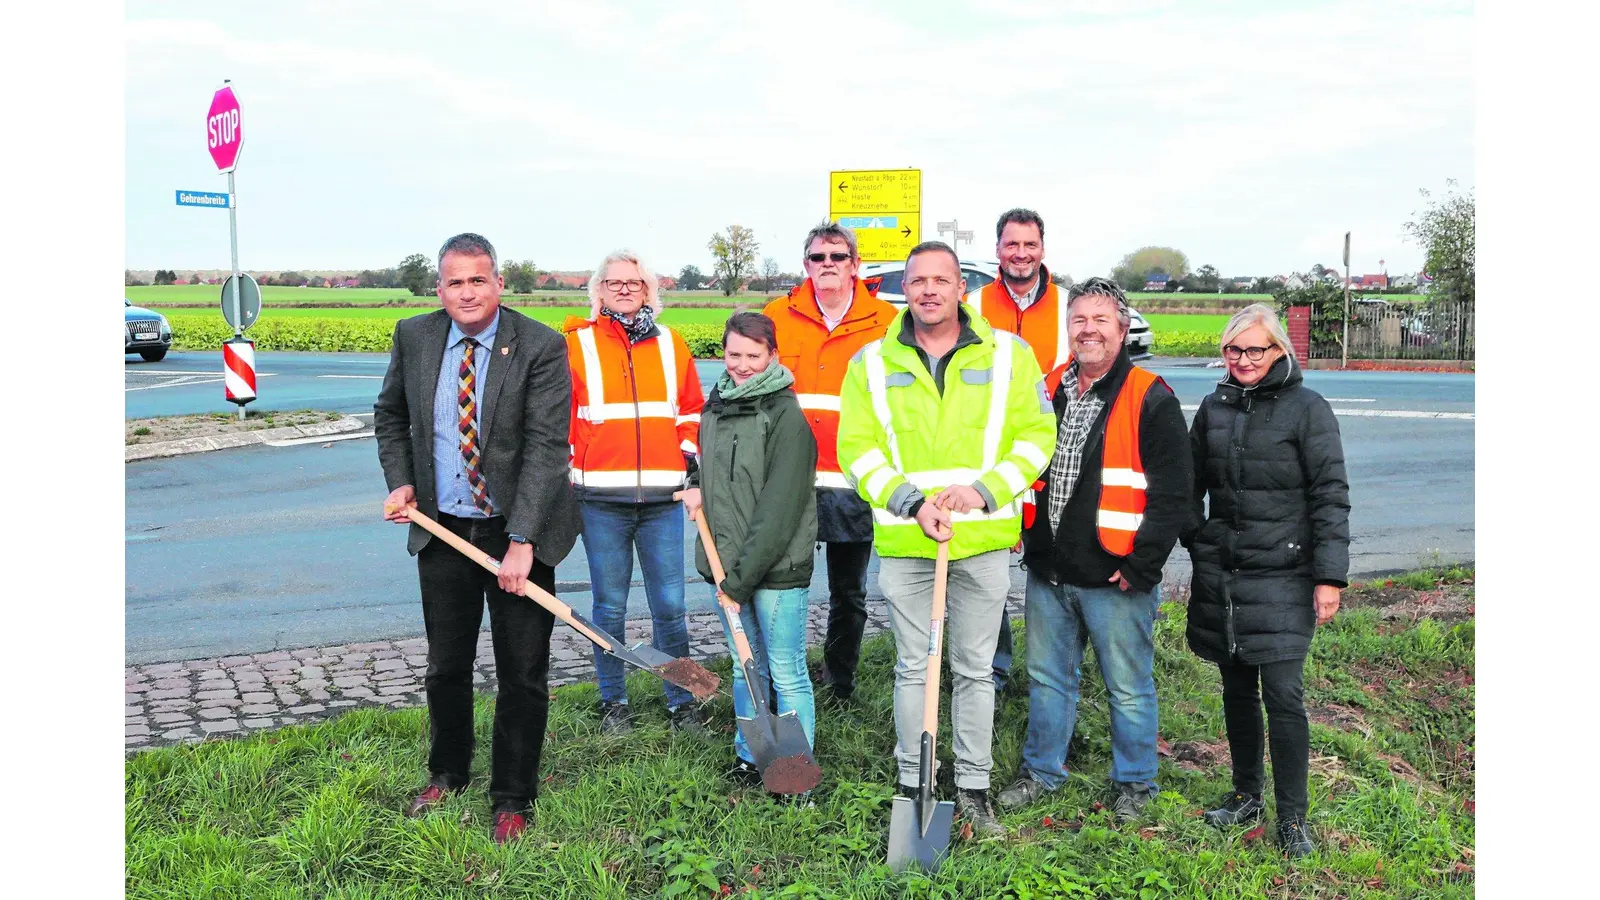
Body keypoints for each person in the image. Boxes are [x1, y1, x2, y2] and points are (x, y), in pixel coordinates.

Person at [836, 241, 1055, 839]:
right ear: (902, 290)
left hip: (981, 540)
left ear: (963, 289)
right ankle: (915, 781)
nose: (928, 290)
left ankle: (974, 789)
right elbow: (855, 450)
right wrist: (910, 501)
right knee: (914, 666)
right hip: (909, 541)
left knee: (974, 669)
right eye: (917, 281)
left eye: (941, 280)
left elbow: (1037, 437)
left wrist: (983, 492)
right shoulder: (870, 363)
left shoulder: (1011, 355)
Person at [375, 232, 582, 844]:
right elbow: (390, 415)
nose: (467, 291)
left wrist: (522, 540)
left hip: (515, 530)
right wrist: (403, 483)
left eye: (478, 279)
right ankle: (447, 772)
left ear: (499, 285)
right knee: (446, 665)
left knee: (522, 671)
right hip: (441, 529)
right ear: (439, 289)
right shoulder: (414, 337)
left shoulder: (540, 345)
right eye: (454, 281)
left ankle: (513, 796)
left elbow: (549, 448)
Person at [996, 276, 1192, 824]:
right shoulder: (1051, 385)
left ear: (1123, 329)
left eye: (1100, 320)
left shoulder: (1150, 396)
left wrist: (1142, 566)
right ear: (1068, 329)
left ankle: (1135, 784)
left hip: (1116, 577)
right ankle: (1042, 773)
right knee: (1048, 679)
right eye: (1078, 320)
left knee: (1127, 686)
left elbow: (1174, 493)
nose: (1088, 330)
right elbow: (1024, 462)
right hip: (1049, 572)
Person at [1183, 303, 1350, 859]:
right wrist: (1198, 538)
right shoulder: (1214, 407)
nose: (1244, 360)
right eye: (1233, 350)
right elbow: (1188, 484)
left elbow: (1330, 496)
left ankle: (1293, 818)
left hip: (1285, 575)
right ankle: (1245, 795)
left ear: (1279, 350)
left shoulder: (1308, 409)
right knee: (1236, 692)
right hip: (1225, 574)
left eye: (1255, 349)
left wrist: (1329, 576)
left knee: (1283, 697)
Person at [562, 249, 706, 735]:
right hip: (601, 501)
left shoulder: (671, 342)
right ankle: (613, 704)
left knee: (671, 607)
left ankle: (682, 703)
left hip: (663, 500)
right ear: (598, 290)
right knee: (610, 607)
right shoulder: (575, 344)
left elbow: (691, 410)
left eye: (634, 283)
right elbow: (561, 418)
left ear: (649, 291)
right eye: (614, 282)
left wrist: (686, 458)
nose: (624, 289)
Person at [678, 312, 820, 788]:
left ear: (772, 357)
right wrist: (695, 483)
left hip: (774, 569)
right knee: (745, 665)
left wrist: (737, 583)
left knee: (785, 670)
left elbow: (779, 508)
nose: (740, 365)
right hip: (728, 566)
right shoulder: (715, 407)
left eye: (752, 356)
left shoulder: (785, 417)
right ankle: (750, 756)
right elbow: (708, 466)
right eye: (733, 354)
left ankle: (794, 770)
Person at [761, 222, 897, 706]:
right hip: (789, 482)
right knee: (781, 589)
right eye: (818, 257)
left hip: (853, 479)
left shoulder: (885, 322)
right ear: (806, 265)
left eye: (838, 257)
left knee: (849, 593)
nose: (828, 265)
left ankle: (839, 683)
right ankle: (784, 681)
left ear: (855, 265)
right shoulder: (777, 316)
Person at [965, 208, 1069, 695]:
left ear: (1043, 248)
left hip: (1056, 453)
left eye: (1030, 245)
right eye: (1012, 245)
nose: (1020, 254)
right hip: (985, 458)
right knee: (986, 567)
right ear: (998, 249)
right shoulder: (973, 302)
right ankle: (995, 670)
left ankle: (1051, 671)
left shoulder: (1068, 305)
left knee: (1051, 563)